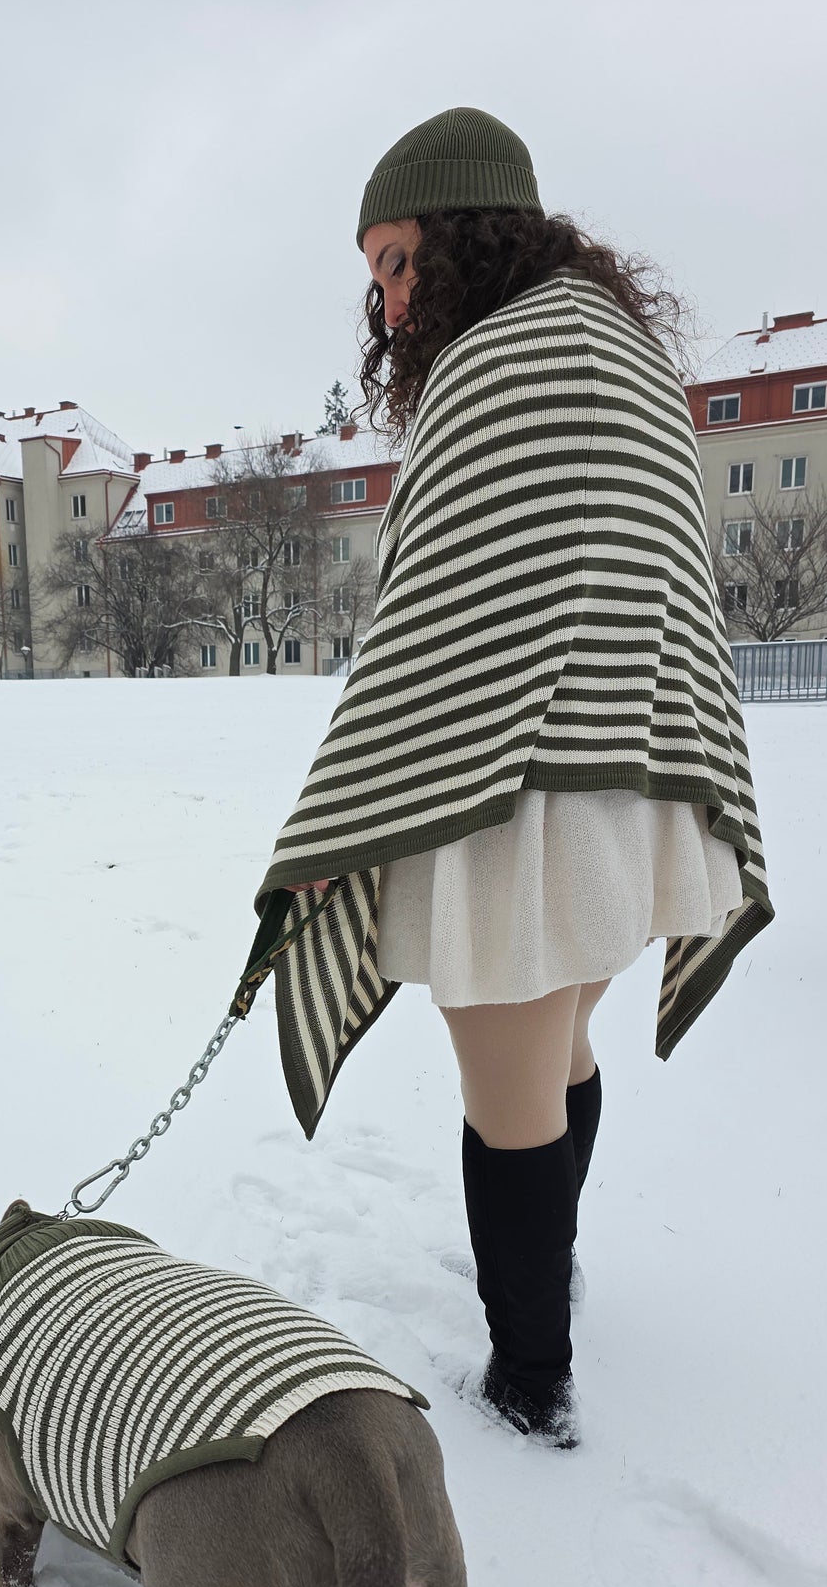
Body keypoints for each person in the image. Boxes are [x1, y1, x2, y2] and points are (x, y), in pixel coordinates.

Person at [241, 107, 773, 1447]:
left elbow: (436, 618)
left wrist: (342, 803)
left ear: (467, 234)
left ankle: (530, 1377)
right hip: (632, 781)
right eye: (371, 274)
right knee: (562, 1045)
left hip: (510, 796)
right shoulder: (620, 352)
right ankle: (555, 1289)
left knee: (506, 1089)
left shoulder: (498, 361)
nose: (386, 295)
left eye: (398, 258)